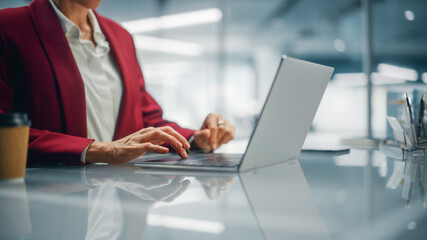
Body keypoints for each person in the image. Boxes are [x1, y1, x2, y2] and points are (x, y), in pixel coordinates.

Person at [0, 0, 234, 165]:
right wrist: (100, 151)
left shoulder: (120, 37)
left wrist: (195, 138)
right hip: (51, 206)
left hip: (121, 207)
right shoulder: (9, 27)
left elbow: (146, 118)